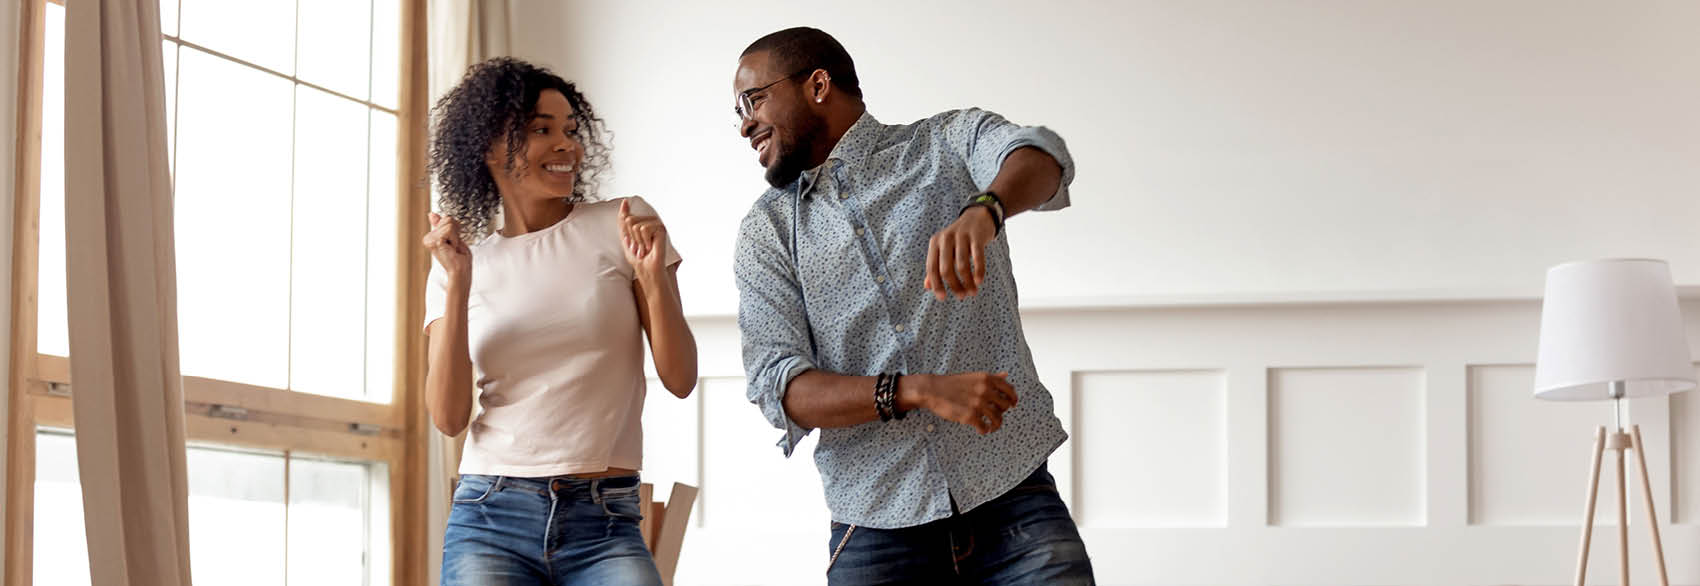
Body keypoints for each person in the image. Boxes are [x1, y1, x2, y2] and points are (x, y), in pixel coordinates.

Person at [732, 27, 1095, 585]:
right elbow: (781, 388)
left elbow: (1045, 156)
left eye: (753, 100)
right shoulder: (769, 231)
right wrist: (918, 390)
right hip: (875, 529)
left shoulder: (945, 145)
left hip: (1013, 499)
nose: (744, 123)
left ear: (818, 85)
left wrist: (986, 210)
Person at [423, 57, 696, 586]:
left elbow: (681, 378)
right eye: (541, 130)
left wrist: (652, 277)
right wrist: (458, 282)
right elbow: (449, 417)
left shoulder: (622, 224)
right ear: (489, 146)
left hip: (605, 521)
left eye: (570, 129)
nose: (566, 145)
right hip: (489, 515)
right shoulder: (460, 264)